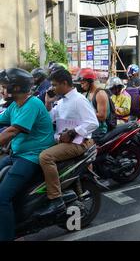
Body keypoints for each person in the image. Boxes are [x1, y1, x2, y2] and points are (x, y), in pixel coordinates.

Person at [0, 68, 55, 240]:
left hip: (31, 156)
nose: (1, 90)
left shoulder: (32, 104)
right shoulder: (17, 105)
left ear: (15, 88)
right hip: (18, 153)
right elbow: (1, 118)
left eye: (3, 86)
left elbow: (11, 131)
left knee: (2, 198)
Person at [37, 69, 98, 216]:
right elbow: (50, 119)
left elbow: (93, 123)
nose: (52, 88)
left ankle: (55, 198)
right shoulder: (61, 101)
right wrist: (48, 104)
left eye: (54, 85)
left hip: (78, 143)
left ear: (65, 83)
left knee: (45, 157)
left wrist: (72, 132)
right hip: (62, 141)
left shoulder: (78, 100)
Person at [76, 68, 111, 141]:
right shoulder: (87, 93)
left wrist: (84, 114)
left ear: (90, 82)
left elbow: (102, 116)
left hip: (99, 131)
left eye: (83, 83)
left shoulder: (100, 94)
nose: (81, 86)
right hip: (89, 128)